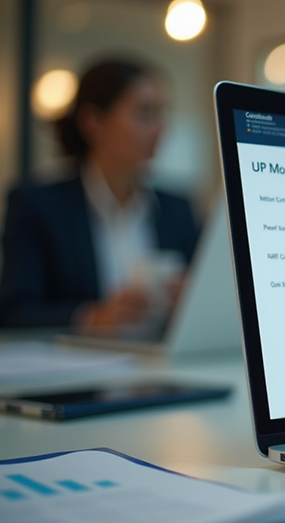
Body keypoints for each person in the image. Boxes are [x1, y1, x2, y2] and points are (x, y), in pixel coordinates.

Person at [0, 59, 199, 334]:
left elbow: (207, 306)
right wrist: (91, 318)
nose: (161, 127)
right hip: (78, 370)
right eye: (145, 113)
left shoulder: (178, 209)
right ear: (93, 122)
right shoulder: (38, 205)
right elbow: (14, 312)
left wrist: (192, 303)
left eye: (163, 113)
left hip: (164, 368)